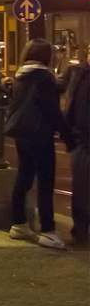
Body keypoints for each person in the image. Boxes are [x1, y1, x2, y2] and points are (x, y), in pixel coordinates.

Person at [5, 38, 66, 249]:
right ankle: (48, 230)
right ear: (46, 56)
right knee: (46, 181)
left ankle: (18, 223)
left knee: (24, 176)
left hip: (22, 131)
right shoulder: (44, 77)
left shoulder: (21, 75)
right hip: (40, 133)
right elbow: (51, 109)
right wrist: (67, 133)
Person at [60, 46, 89, 245]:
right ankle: (80, 230)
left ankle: (81, 230)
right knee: (81, 187)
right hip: (82, 141)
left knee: (83, 186)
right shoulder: (78, 73)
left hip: (83, 140)